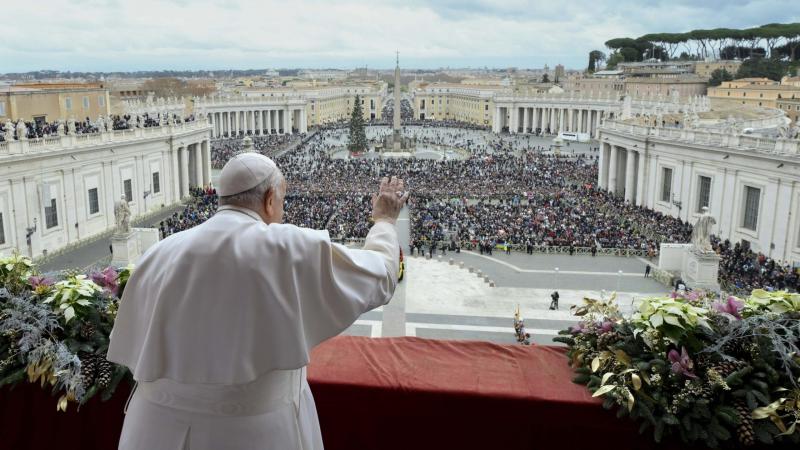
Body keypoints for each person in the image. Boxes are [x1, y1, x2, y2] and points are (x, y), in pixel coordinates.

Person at [107, 153, 408, 450]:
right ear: (269, 199)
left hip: (154, 430)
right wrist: (384, 220)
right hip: (254, 433)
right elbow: (381, 274)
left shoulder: (158, 253)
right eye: (282, 202)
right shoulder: (286, 247)